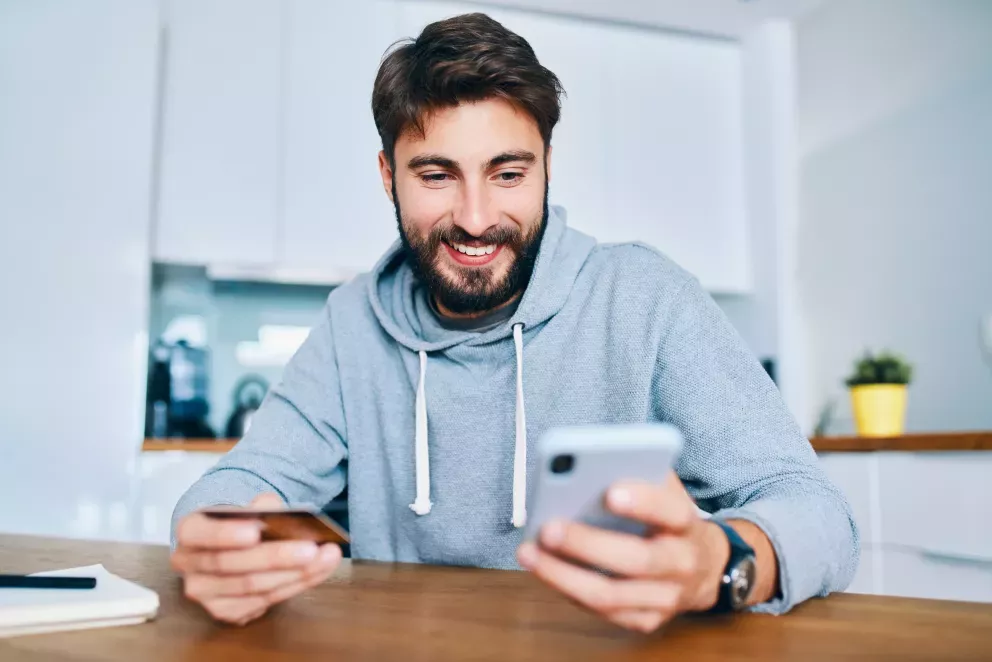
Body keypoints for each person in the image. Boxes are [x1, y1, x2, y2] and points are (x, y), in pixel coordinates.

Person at [170, 13, 859, 632]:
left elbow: (820, 516)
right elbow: (229, 491)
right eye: (437, 176)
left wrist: (722, 561)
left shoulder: (644, 298)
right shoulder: (353, 321)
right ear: (388, 176)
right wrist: (214, 541)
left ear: (548, 166)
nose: (475, 218)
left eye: (507, 174)